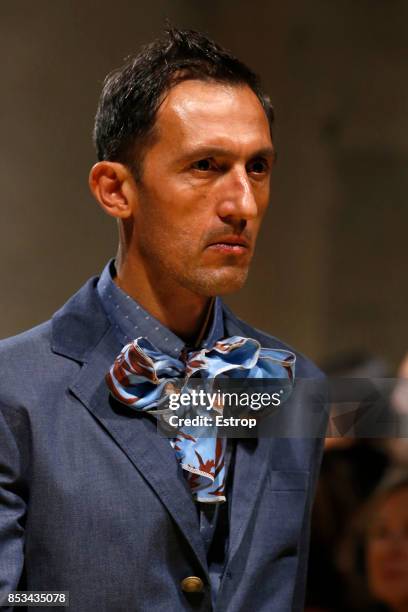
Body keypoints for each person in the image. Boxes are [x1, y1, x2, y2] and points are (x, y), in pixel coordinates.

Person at [0, 27, 327, 611]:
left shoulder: (298, 383)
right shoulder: (13, 390)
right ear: (115, 189)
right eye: (206, 165)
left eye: (258, 167)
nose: (242, 205)